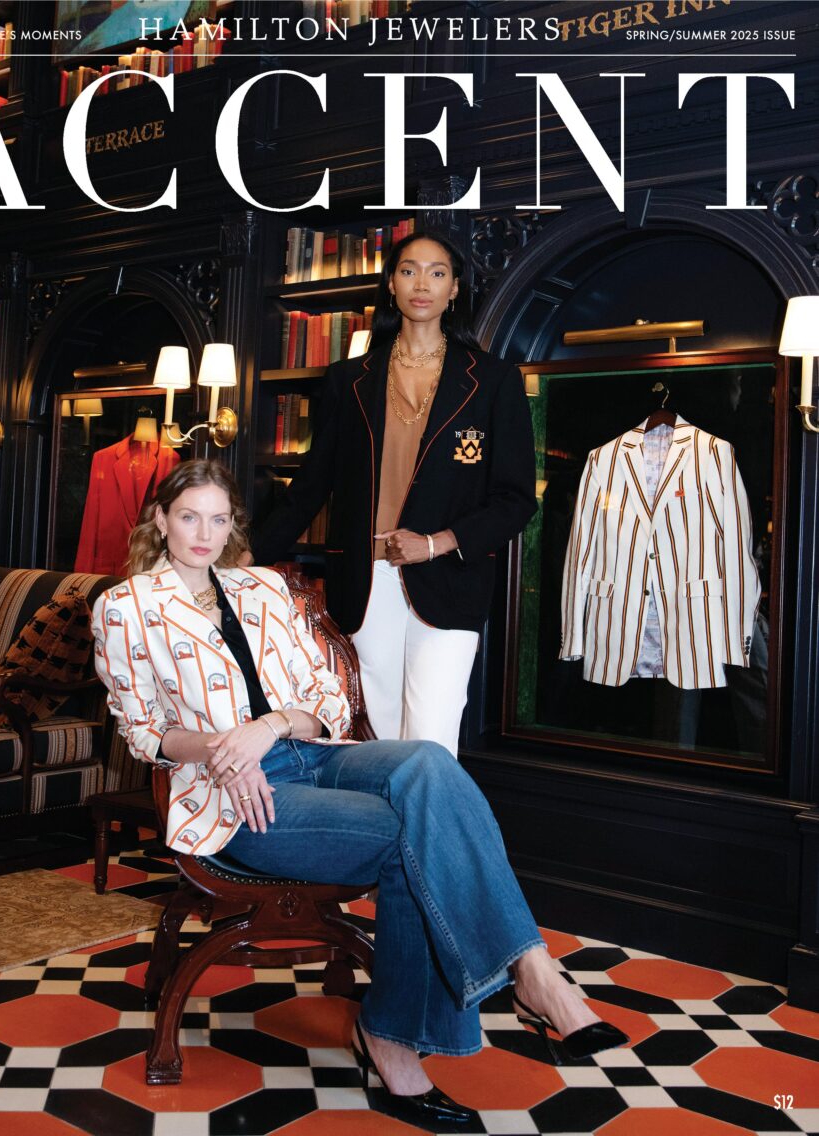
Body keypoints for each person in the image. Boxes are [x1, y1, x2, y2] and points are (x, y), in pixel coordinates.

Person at [92, 459, 627, 1131]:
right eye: (189, 517)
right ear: (161, 520)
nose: (204, 534)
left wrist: (269, 726)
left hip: (312, 755)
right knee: (415, 836)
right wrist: (225, 750)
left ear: (234, 526)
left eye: (219, 519)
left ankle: (529, 970)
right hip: (236, 795)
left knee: (428, 763)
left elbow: (325, 698)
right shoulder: (126, 607)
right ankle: (425, 1027)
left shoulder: (263, 587)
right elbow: (145, 732)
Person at [248, 231, 537, 757]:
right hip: (366, 579)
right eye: (408, 271)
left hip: (449, 580)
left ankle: (428, 816)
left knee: (430, 735)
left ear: (454, 289)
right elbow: (310, 487)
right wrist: (247, 556)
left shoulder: (494, 381)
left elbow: (516, 499)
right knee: (378, 735)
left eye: (437, 273)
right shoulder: (348, 379)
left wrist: (436, 543)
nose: (421, 284)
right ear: (391, 285)